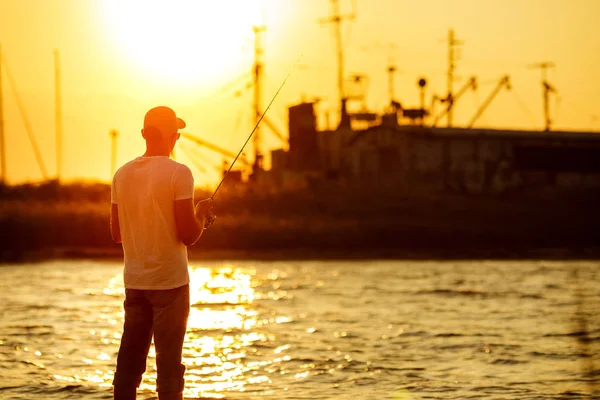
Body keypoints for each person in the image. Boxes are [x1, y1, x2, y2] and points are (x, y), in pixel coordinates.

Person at [110, 106, 214, 400]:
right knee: (168, 370)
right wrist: (201, 214)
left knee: (127, 369)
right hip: (171, 284)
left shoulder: (121, 174)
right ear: (173, 137)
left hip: (135, 284)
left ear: (144, 134)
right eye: (177, 134)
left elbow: (116, 234)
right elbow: (188, 234)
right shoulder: (179, 173)